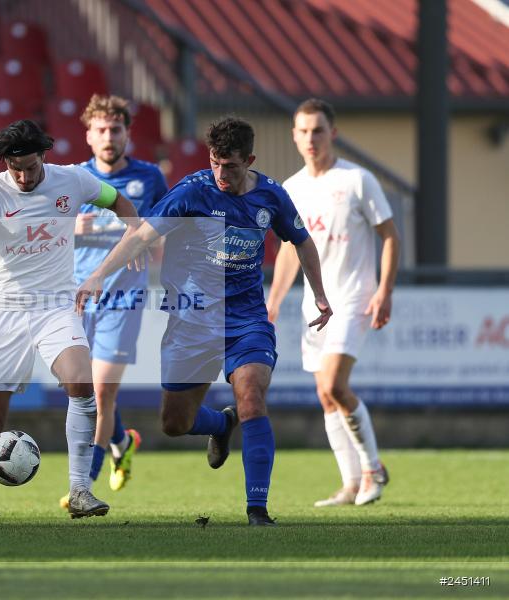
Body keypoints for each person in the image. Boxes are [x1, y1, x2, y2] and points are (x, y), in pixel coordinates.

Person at [77, 117, 332, 526]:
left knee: (251, 396)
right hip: (191, 319)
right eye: (214, 162)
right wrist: (97, 276)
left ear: (249, 161)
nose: (220, 173)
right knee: (175, 423)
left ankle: (257, 510)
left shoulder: (271, 196)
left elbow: (302, 241)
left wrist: (319, 293)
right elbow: (140, 235)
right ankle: (221, 422)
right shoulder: (192, 191)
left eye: (229, 165)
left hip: (246, 319)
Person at [0, 119, 140, 525]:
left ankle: (80, 490)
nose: (22, 176)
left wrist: (133, 234)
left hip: (56, 305)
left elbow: (120, 202)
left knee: (81, 383)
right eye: (14, 168)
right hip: (5, 310)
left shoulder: (73, 180)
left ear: (44, 157)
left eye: (30, 167)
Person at [266, 98, 399, 506]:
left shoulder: (358, 180)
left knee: (334, 384)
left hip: (354, 298)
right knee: (325, 396)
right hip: (315, 306)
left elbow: (390, 235)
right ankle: (351, 484)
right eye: (304, 131)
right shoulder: (291, 188)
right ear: (294, 136)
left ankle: (373, 470)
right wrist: (274, 301)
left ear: (333, 133)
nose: (311, 138)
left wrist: (385, 289)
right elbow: (290, 250)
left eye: (318, 130)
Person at [58, 95, 167, 510]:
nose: (108, 137)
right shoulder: (73, 179)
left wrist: (145, 237)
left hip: (124, 297)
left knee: (101, 392)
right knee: (81, 390)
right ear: (88, 136)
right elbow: (44, 232)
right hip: (76, 298)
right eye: (100, 130)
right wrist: (73, 228)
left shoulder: (149, 178)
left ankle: (83, 485)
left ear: (127, 134)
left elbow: (162, 228)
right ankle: (122, 440)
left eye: (115, 129)